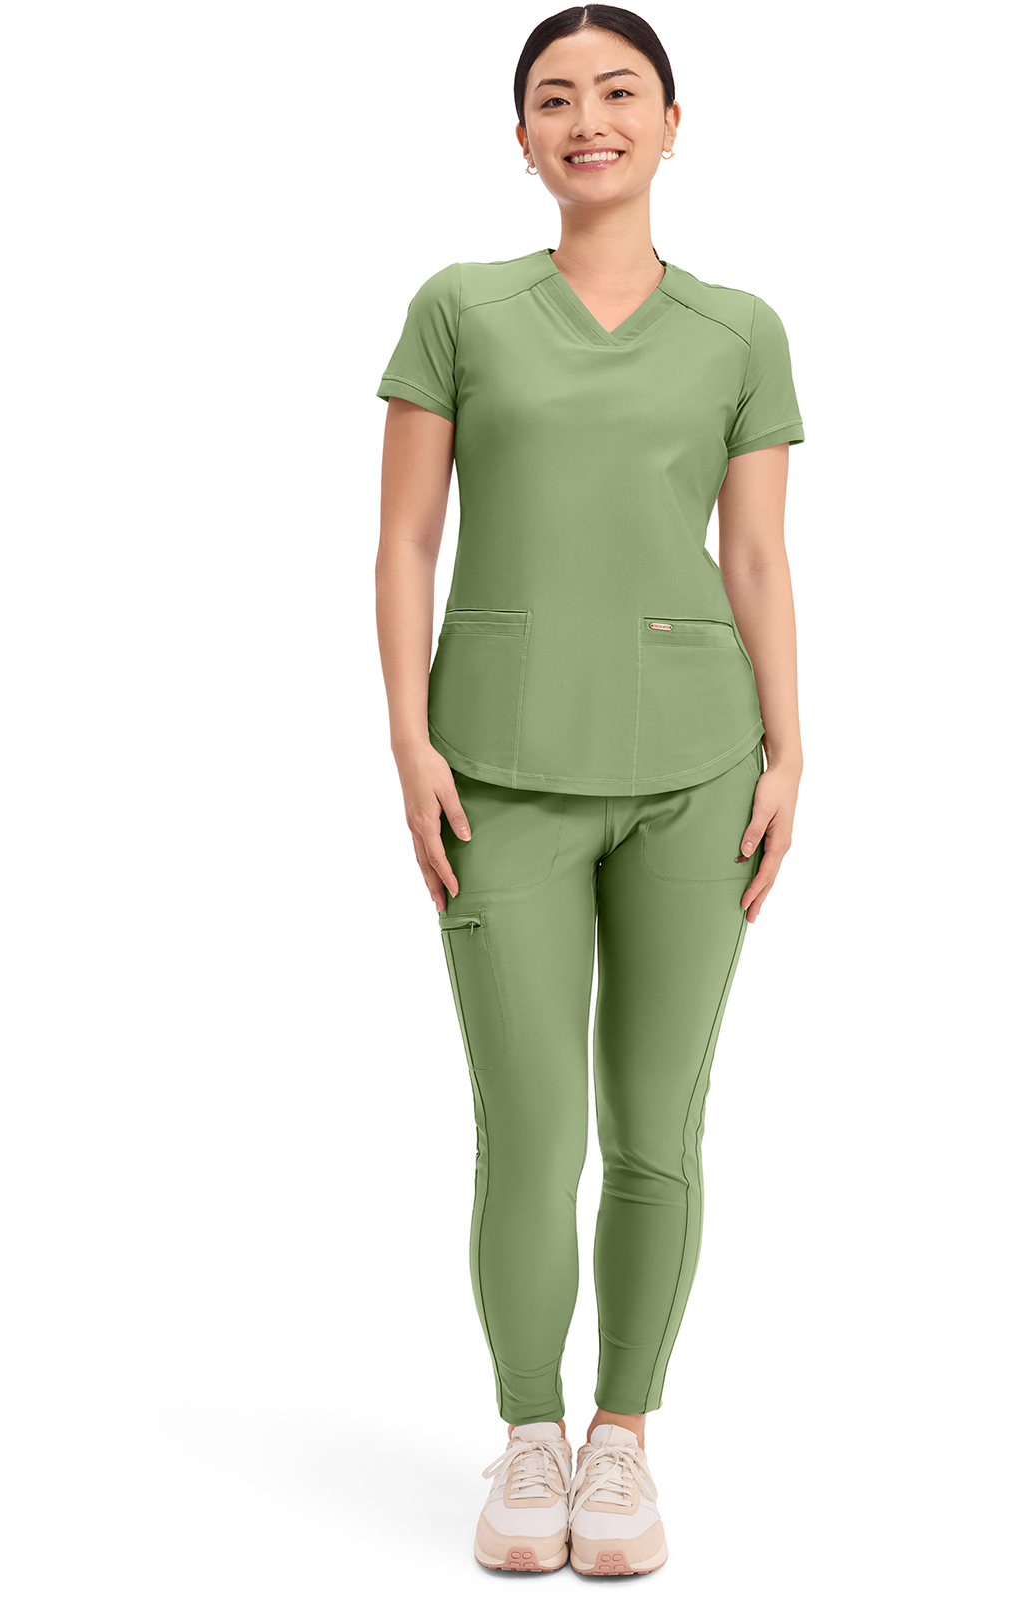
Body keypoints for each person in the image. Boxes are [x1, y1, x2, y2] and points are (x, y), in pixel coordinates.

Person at [374, 4, 804, 1576]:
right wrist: (408, 740)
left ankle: (622, 1441)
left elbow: (755, 554)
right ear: (523, 141)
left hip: (699, 764)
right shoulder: (460, 310)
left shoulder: (739, 330)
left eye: (620, 92)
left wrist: (792, 749)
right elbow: (405, 539)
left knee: (657, 1128)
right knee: (529, 1126)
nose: (588, 119)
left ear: (673, 124)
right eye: (554, 99)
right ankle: (528, 1436)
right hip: (498, 766)